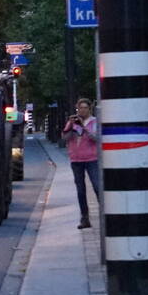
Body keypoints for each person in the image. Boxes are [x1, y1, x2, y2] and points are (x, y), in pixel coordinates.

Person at [62, 98, 100, 229]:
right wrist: (70, 125)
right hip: (76, 159)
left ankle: (104, 214)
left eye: (85, 108)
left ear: (89, 109)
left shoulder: (94, 122)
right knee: (80, 190)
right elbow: (65, 138)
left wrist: (84, 127)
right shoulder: (73, 122)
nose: (82, 111)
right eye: (80, 108)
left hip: (92, 159)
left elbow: (96, 138)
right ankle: (84, 218)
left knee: (97, 186)